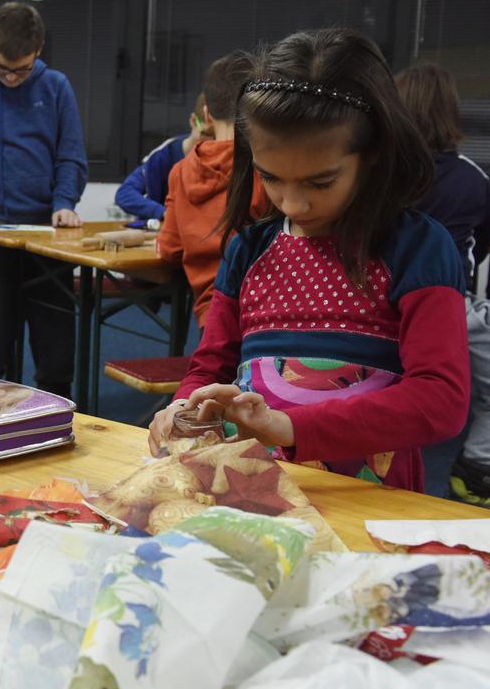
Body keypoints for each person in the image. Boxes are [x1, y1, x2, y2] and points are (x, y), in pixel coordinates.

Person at [147, 29, 470, 494]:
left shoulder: (416, 248)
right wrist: (182, 407)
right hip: (251, 487)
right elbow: (211, 365)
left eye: (320, 182)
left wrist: (291, 428)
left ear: (374, 155)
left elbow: (441, 399)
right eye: (271, 178)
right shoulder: (250, 249)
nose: (293, 204)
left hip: (367, 497)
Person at [0, 2, 88, 398]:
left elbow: (70, 152)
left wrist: (64, 202)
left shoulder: (56, 87)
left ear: (39, 51)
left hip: (46, 224)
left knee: (54, 321)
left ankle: (57, 396)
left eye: (21, 69)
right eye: (2, 68)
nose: (10, 78)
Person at [397, 62, 490, 505]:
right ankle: (476, 477)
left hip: (373, 306)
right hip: (448, 309)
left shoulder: (376, 173)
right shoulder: (472, 176)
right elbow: (484, 239)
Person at [157, 52, 268, 328]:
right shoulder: (270, 169)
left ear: (206, 113)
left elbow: (169, 250)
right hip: (265, 313)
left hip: (212, 316)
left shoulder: (181, 172)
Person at [115, 93, 214, 222]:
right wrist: (163, 213)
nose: (210, 142)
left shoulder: (222, 156)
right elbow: (124, 194)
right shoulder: (163, 156)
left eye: (215, 136)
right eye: (205, 134)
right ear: (193, 121)